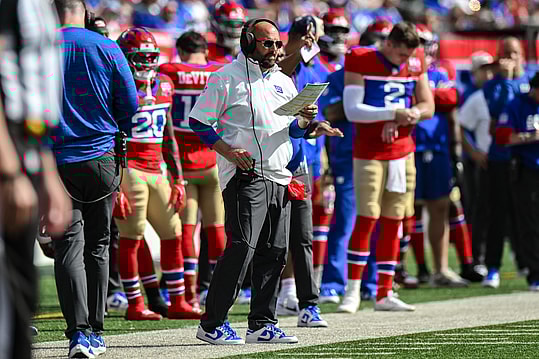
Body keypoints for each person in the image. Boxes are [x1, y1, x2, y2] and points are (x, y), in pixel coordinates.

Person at [190, 18, 317, 345]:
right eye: (268, 43)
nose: (276, 50)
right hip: (246, 175)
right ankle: (212, 323)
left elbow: (293, 131)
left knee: (275, 251)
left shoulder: (285, 82)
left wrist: (304, 120)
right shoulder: (225, 78)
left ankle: (262, 323)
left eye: (277, 44)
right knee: (242, 248)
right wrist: (228, 151)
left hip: (280, 173)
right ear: (248, 42)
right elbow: (199, 121)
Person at [50, 0, 138, 357]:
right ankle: (96, 332)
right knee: (99, 244)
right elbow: (130, 103)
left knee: (67, 246)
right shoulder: (106, 46)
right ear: (85, 14)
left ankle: (77, 333)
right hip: (101, 157)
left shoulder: (39, 47)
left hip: (54, 160)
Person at [338, 22, 434, 313]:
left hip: (403, 152)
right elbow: (352, 109)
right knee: (367, 217)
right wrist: (394, 112)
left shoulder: (415, 61)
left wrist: (411, 114)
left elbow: (427, 103)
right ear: (389, 44)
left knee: (395, 220)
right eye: (402, 54)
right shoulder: (362, 58)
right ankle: (352, 290)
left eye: (409, 56)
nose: (406, 61)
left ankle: (385, 291)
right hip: (369, 152)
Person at [114, 27, 201, 321]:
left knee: (172, 232)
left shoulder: (164, 84)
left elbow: (168, 134)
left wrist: (178, 179)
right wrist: (115, 185)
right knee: (131, 237)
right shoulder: (115, 84)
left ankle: (177, 300)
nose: (147, 63)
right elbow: (109, 136)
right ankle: (135, 303)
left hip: (157, 169)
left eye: (151, 56)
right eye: (140, 57)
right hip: (130, 168)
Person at [0, 0, 71, 357]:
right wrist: (9, 170)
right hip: (8, 155)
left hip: (26, 149)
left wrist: (45, 170)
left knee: (18, 308)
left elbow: (35, 89)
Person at [317, 19, 394, 305]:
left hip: (381, 152)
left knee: (379, 218)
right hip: (348, 154)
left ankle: (372, 283)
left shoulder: (392, 76)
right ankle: (333, 282)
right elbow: (332, 112)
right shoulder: (342, 74)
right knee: (347, 219)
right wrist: (367, 105)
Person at [158, 31, 224, 310]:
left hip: (183, 163)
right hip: (214, 158)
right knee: (217, 229)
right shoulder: (218, 70)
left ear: (181, 51)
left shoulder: (170, 71)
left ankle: (190, 293)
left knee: (187, 230)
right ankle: (221, 290)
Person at [409, 24, 471, 288]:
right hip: (410, 147)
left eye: (425, 41)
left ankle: (440, 269)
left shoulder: (441, 70)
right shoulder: (401, 71)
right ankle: (400, 269)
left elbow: (451, 98)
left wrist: (422, 95)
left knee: (440, 206)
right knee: (404, 210)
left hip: (438, 148)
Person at [482, 37, 536, 288]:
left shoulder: (532, 77)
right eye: (505, 53)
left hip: (526, 160)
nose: (510, 57)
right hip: (501, 158)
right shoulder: (493, 84)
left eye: (514, 53)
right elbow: (500, 112)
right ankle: (492, 267)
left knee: (526, 216)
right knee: (498, 213)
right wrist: (507, 79)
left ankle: (527, 263)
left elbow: (527, 103)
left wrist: (515, 80)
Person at [495, 72, 539, 291]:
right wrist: (531, 136)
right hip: (526, 168)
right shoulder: (517, 105)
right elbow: (502, 137)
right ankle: (535, 274)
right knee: (529, 223)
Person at [458, 52, 495, 272]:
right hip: (476, 160)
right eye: (482, 69)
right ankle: (475, 256)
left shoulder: (495, 90)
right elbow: (461, 126)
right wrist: (472, 152)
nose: (487, 73)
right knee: (476, 208)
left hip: (496, 158)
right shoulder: (468, 94)